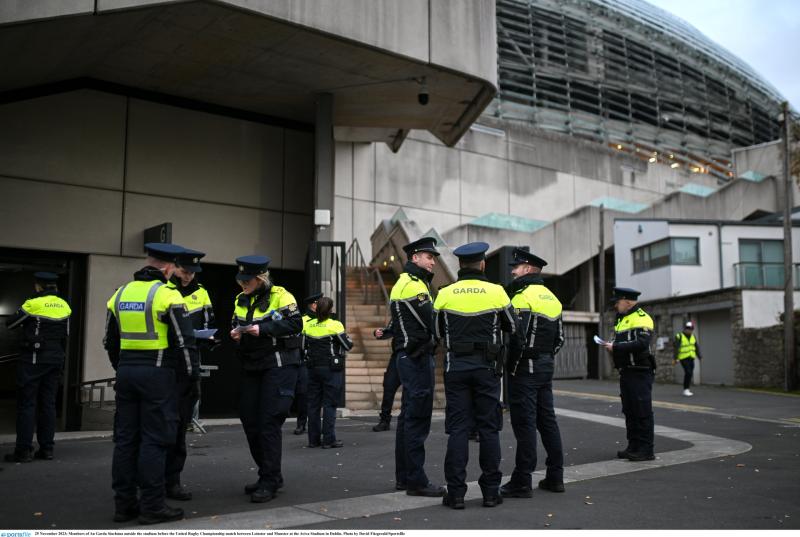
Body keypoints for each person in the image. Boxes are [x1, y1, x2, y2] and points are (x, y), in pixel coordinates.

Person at [104, 243, 197, 524]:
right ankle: (153, 506)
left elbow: (110, 341)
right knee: (154, 441)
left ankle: (124, 505)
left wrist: (121, 368)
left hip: (126, 374)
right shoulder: (167, 295)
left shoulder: (120, 293)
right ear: (168, 268)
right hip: (158, 375)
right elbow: (184, 343)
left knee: (125, 441)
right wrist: (190, 378)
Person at [433, 241, 518, 509]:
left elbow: (436, 333)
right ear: (482, 264)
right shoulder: (497, 292)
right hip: (487, 369)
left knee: (458, 429)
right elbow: (513, 326)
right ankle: (491, 493)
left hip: (455, 368)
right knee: (489, 429)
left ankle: (456, 494)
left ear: (460, 265)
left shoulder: (445, 293)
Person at [375, 237, 445, 497]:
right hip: (415, 359)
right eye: (429, 257)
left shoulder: (407, 283)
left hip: (409, 357)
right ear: (415, 257)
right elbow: (433, 321)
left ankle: (405, 477)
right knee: (417, 419)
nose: (433, 261)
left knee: (407, 420)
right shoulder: (413, 285)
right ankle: (416, 480)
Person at [231, 255, 302, 503]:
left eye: (247, 280)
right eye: (240, 279)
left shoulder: (283, 296)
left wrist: (263, 329)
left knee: (268, 422)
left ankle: (270, 480)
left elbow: (296, 324)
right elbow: (235, 323)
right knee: (249, 419)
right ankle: (269, 473)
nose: (243, 284)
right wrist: (237, 335)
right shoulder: (240, 300)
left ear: (260, 278)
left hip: (278, 365)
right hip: (252, 365)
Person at [501, 247, 566, 498]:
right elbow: (559, 339)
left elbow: (518, 338)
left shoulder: (521, 296)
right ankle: (555, 476)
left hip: (525, 369)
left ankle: (522, 481)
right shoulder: (553, 298)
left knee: (525, 424)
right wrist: (545, 357)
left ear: (528, 269)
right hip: (545, 366)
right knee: (547, 421)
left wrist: (512, 365)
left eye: (516, 267)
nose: (513, 271)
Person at [164, 248, 215, 501]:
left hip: (189, 362)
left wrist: (209, 339)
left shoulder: (201, 292)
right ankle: (152, 480)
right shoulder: (163, 290)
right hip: (164, 362)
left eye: (193, 273)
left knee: (180, 428)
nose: (188, 277)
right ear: (174, 267)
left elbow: (208, 325)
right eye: (185, 271)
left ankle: (173, 481)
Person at [3, 272, 71, 464]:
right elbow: (65, 334)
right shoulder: (65, 306)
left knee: (27, 404)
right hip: (56, 359)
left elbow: (11, 324)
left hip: (33, 358)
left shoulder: (33, 304)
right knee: (48, 404)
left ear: (38, 287)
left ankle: (23, 451)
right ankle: (47, 449)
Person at [601, 287, 656, 462]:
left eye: (617, 302)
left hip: (639, 371)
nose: (616, 306)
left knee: (642, 410)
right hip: (627, 371)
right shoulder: (622, 319)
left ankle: (646, 450)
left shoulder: (642, 318)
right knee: (630, 411)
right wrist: (613, 347)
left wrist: (615, 347)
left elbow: (641, 343)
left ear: (627, 301)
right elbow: (624, 343)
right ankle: (633, 446)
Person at [302, 297, 353, 448]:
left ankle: (313, 440)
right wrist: (348, 339)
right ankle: (329, 440)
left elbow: (303, 347)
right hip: (331, 369)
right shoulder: (335, 325)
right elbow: (347, 345)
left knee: (313, 405)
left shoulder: (309, 325)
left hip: (312, 369)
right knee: (330, 404)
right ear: (330, 310)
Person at [294, 293, 322, 435]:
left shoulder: (327, 319)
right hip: (306, 361)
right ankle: (301, 423)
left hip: (322, 361)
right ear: (313, 305)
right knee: (303, 393)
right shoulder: (303, 320)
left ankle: (316, 424)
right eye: (319, 303)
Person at [674, 321, 701, 396]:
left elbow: (696, 346)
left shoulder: (693, 336)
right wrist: (676, 358)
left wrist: (699, 356)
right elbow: (676, 348)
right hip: (683, 358)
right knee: (688, 372)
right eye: (688, 329)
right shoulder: (679, 336)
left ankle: (687, 389)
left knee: (690, 373)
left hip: (691, 357)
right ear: (685, 329)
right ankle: (686, 389)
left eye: (691, 329)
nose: (690, 330)